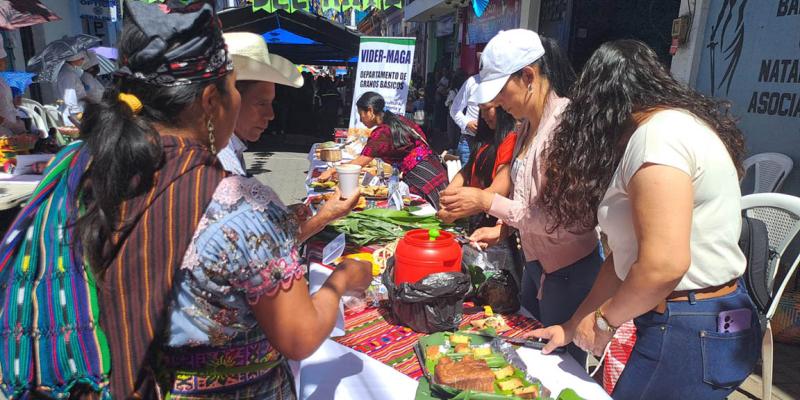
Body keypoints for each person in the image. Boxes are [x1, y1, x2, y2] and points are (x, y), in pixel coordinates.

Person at [0, 2, 371, 399]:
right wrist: (341, 281)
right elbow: (299, 336)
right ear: (212, 100)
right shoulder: (240, 206)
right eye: (233, 88)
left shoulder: (82, 166)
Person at [531, 40, 758, 399]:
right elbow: (623, 262)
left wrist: (605, 322)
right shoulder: (680, 127)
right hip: (709, 321)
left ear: (602, 103)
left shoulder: (657, 137)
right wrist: (573, 326)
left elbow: (663, 265)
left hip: (687, 328)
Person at [438, 31, 602, 364]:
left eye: (500, 91)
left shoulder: (565, 126)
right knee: (525, 359)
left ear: (528, 76)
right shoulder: (526, 125)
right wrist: (504, 229)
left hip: (568, 275)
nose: (496, 103)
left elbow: (559, 220)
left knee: (557, 368)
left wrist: (486, 203)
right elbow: (529, 198)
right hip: (536, 266)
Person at [318, 91, 449, 208]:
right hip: (433, 166)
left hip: (422, 175)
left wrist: (332, 170)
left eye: (361, 114)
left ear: (370, 111)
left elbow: (360, 162)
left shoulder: (382, 133)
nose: (360, 119)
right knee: (442, 206)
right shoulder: (398, 119)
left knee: (436, 211)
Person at [217, 32, 304, 176]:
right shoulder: (220, 160)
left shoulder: (228, 148)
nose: (270, 115)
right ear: (228, 99)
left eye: (270, 103)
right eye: (262, 104)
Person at [437, 105, 516, 232]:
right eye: (481, 110)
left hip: (492, 225)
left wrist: (456, 211)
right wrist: (449, 194)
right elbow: (465, 171)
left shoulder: (511, 139)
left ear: (503, 108)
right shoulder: (485, 140)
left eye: (487, 109)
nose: (483, 115)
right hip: (475, 218)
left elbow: (499, 191)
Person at [449, 72, 481, 165]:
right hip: (469, 141)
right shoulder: (472, 82)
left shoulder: (504, 82)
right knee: (466, 177)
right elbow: (454, 109)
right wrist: (467, 123)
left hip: (493, 141)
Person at [56, 51, 87, 117]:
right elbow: (69, 95)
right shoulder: (68, 74)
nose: (83, 60)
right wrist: (77, 113)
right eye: (82, 58)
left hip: (73, 110)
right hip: (72, 114)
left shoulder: (68, 71)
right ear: (74, 59)